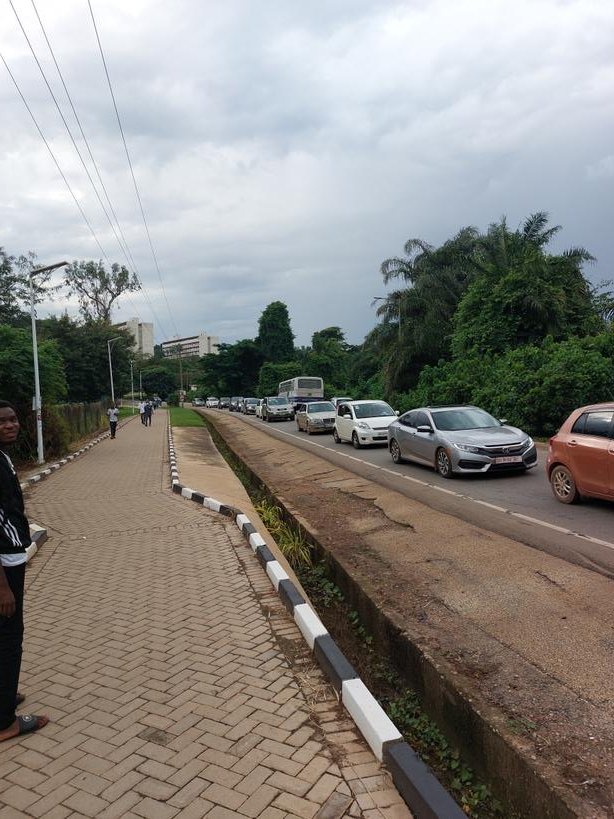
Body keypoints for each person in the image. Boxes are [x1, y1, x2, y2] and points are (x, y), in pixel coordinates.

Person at [0, 400, 49, 741]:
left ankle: (3, 697)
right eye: (1, 421)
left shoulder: (2, 457)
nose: (9, 425)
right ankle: (5, 722)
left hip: (11, 557)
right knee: (9, 640)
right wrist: (2, 587)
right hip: (4, 567)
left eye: (13, 419)